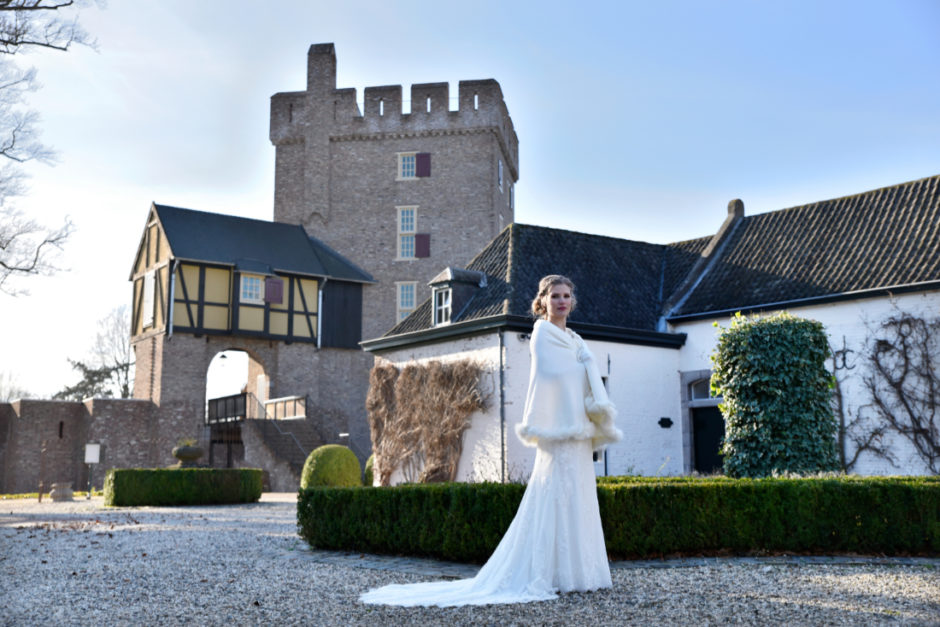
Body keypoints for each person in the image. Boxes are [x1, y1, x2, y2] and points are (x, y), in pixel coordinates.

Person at [360, 275, 622, 607]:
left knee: (579, 495)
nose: (561, 301)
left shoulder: (576, 339)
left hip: (578, 431)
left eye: (567, 295)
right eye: (555, 296)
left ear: (572, 301)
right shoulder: (543, 336)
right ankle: (551, 572)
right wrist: (581, 368)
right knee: (555, 493)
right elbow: (552, 377)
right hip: (559, 430)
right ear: (543, 301)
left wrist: (585, 370)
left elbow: (580, 376)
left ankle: (582, 573)